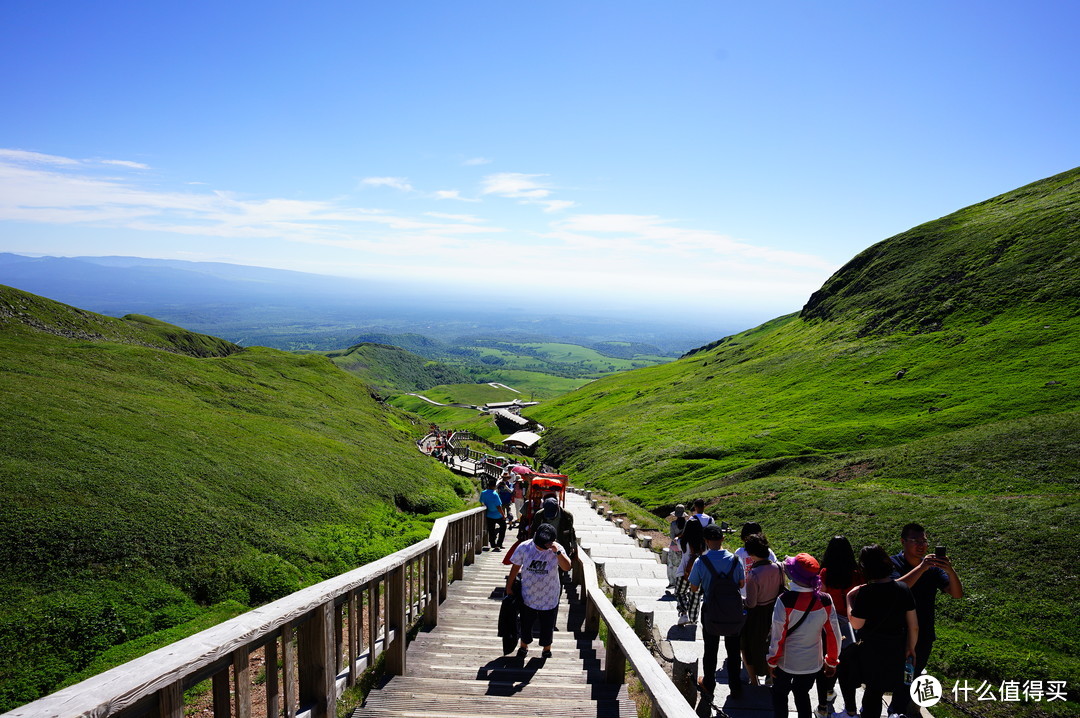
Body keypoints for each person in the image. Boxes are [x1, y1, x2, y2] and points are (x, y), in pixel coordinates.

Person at [846, 545, 918, 718]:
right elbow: (913, 625)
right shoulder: (903, 589)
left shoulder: (865, 592)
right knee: (896, 686)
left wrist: (849, 599)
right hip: (896, 647)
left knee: (873, 691)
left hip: (872, 650)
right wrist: (911, 648)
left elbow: (856, 624)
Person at [767, 554, 842, 718]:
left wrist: (772, 661)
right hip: (812, 663)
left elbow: (777, 637)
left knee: (779, 695)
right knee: (802, 694)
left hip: (785, 662)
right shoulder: (825, 600)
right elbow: (833, 634)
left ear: (793, 575)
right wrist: (832, 661)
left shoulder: (784, 600)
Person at [890, 523, 963, 676]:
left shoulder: (933, 568)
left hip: (924, 634)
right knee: (894, 678)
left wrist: (950, 570)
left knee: (911, 679)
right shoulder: (892, 563)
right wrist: (922, 568)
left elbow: (956, 594)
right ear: (903, 542)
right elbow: (894, 590)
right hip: (896, 632)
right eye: (915, 541)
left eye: (924, 541)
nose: (921, 545)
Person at [690, 522, 747, 712]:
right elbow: (740, 583)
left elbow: (694, 587)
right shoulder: (735, 560)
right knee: (733, 651)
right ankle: (735, 687)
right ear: (723, 538)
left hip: (711, 610)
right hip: (732, 610)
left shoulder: (701, 561)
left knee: (710, 649)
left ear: (706, 541)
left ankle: (709, 684)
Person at [505, 523, 572, 658]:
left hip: (549, 594)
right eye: (538, 543)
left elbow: (567, 567)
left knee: (547, 625)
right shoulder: (525, 547)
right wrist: (509, 586)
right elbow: (515, 567)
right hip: (528, 593)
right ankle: (524, 646)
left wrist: (556, 552)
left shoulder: (557, 549)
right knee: (525, 623)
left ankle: (546, 649)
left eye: (544, 545)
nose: (540, 547)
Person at [814, 536, 863, 718]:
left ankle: (824, 704)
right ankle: (851, 708)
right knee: (847, 670)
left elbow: (820, 596)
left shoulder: (825, 573)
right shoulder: (857, 573)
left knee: (828, 662)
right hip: (851, 628)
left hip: (829, 627)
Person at [741, 533, 784, 687]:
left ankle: (753, 680)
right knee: (772, 645)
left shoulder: (753, 574)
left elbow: (751, 603)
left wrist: (742, 601)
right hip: (775, 611)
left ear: (752, 554)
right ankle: (770, 676)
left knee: (747, 646)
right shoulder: (779, 568)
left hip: (757, 615)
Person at [676, 503, 709, 626]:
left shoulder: (683, 542)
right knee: (695, 596)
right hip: (699, 574)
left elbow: (677, 541)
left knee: (680, 592)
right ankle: (694, 619)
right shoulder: (705, 545)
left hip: (683, 571)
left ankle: (683, 613)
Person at [530, 495, 577, 559]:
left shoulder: (567, 516)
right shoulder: (539, 515)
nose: (550, 518)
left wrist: (575, 549)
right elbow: (533, 532)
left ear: (557, 508)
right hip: (544, 548)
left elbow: (571, 533)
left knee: (563, 568)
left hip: (562, 546)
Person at [479, 478, 506, 550]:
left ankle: (493, 545)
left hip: (488, 514)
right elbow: (499, 506)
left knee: (491, 530)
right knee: (503, 527)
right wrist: (503, 515)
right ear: (494, 486)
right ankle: (499, 544)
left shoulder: (483, 493)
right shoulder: (495, 494)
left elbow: (481, 502)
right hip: (497, 515)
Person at [667, 504, 687, 590]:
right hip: (684, 548)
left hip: (674, 547)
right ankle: (681, 583)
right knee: (682, 566)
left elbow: (672, 537)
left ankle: (672, 582)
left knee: (671, 565)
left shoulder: (673, 524)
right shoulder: (687, 524)